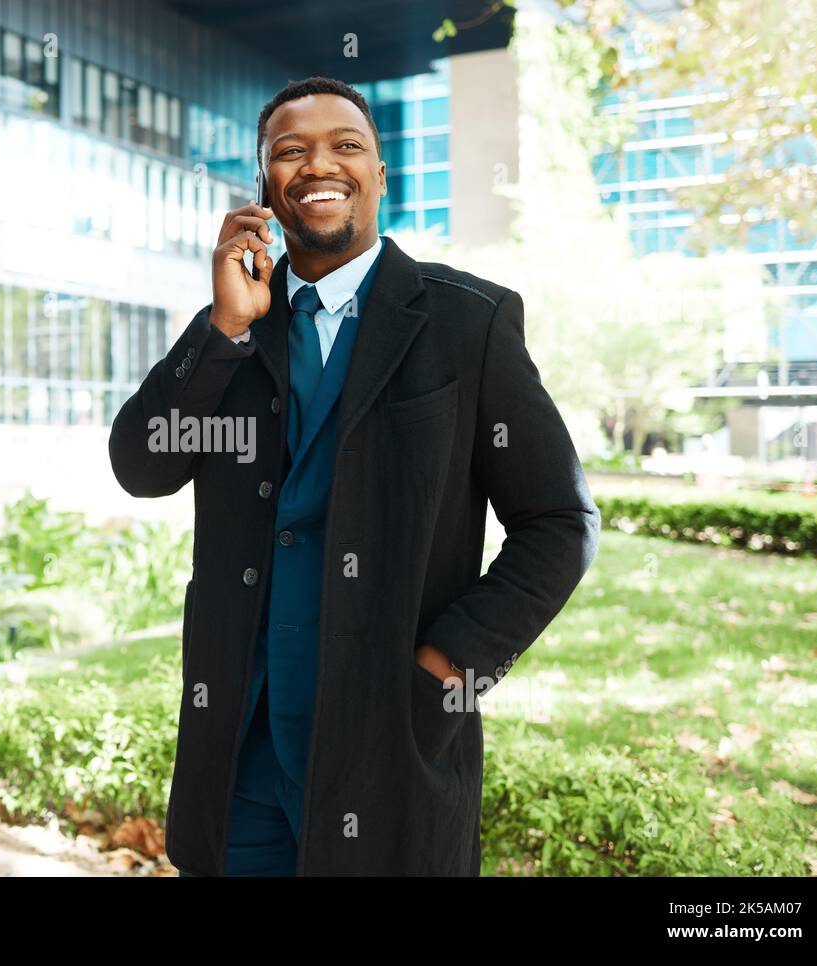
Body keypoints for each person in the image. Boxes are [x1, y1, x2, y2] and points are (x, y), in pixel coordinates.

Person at [108, 76, 600, 876]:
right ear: (265, 185)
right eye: (289, 151)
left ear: (378, 175)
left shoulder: (467, 321)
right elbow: (142, 465)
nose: (317, 164)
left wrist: (451, 671)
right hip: (243, 756)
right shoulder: (235, 328)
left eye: (346, 145)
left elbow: (560, 522)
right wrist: (224, 326)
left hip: (391, 746)